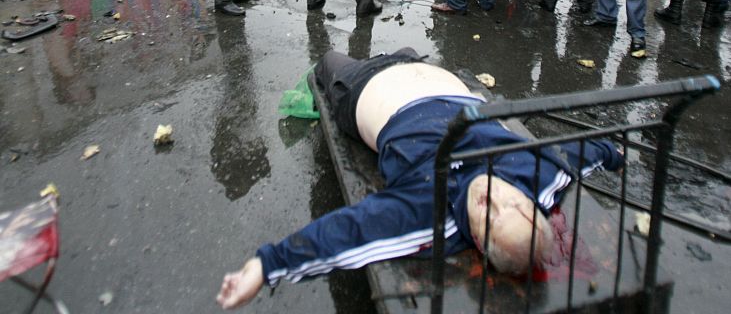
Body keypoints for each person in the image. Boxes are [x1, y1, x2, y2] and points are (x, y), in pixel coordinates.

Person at [216, 49, 623, 309]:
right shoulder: (539, 176)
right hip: (422, 70)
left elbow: (349, 232)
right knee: (400, 55)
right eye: (515, 204)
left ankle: (332, 73)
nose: (494, 198)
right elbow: (580, 152)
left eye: (491, 217)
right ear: (532, 203)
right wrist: (614, 153)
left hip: (362, 86)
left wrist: (265, 268)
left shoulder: (428, 211)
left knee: (328, 62)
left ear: (477, 241)